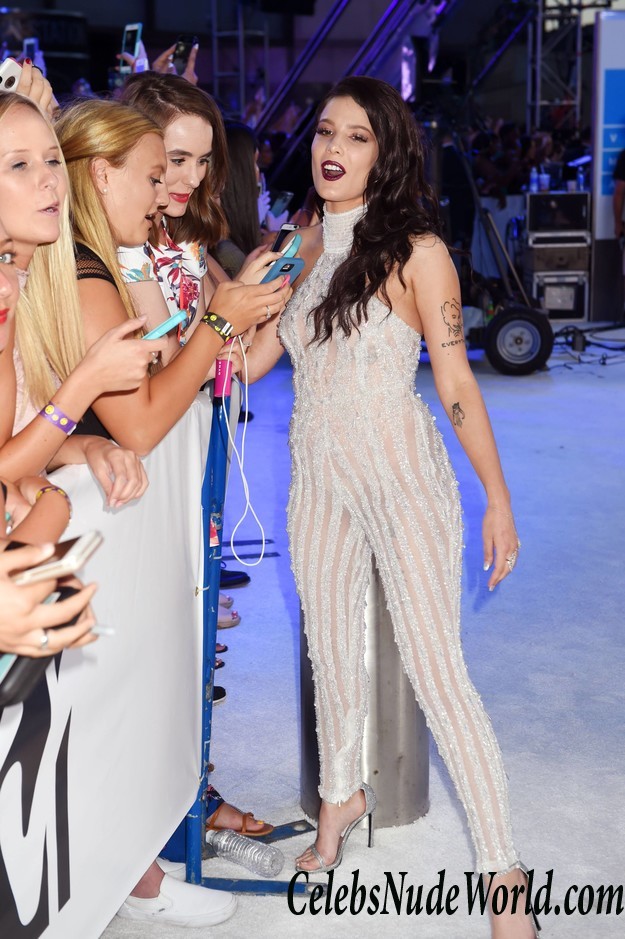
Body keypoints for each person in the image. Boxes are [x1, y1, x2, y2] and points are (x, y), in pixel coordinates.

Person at [245, 77, 537, 938]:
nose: (332, 147)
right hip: (317, 472)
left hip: (401, 471)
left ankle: (503, 872)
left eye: (357, 137)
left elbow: (454, 384)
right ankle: (340, 801)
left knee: (435, 669)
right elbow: (258, 358)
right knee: (330, 651)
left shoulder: (416, 249)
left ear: (388, 152)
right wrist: (226, 313)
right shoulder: (298, 240)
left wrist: (498, 497)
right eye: (325, 131)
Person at [53, 97, 289, 455]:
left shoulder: (96, 258)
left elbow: (240, 360)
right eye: (155, 176)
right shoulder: (84, 271)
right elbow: (141, 426)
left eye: (203, 161)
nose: (165, 194)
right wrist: (218, 323)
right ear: (102, 175)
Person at [0, 90, 160, 504]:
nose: (50, 179)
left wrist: (89, 446)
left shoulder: (31, 282)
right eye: (19, 164)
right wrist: (86, 382)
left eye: (53, 160)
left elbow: (22, 441)